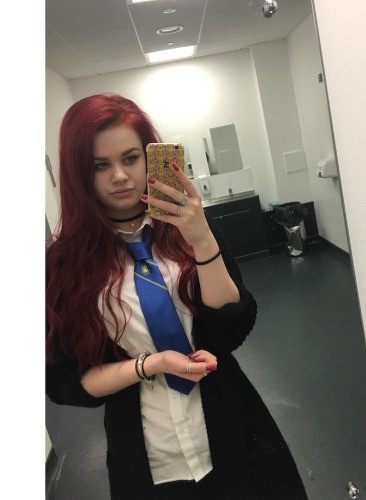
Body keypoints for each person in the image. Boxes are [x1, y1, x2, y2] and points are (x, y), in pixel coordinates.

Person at [45, 93, 308, 500]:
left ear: (150, 156)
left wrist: (201, 239)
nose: (119, 176)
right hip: (149, 454)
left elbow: (231, 330)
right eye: (100, 165)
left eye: (130, 158)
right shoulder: (64, 265)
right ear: (78, 173)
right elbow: (65, 382)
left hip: (231, 430)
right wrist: (150, 364)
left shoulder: (190, 229)